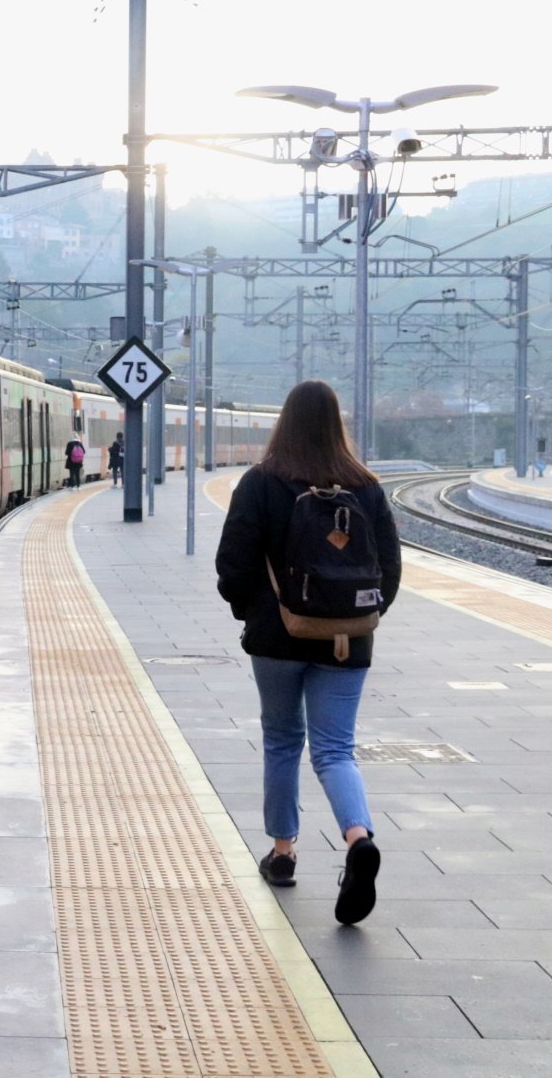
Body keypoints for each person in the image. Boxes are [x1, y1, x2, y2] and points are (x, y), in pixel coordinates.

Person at [215, 380, 401, 926]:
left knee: (281, 740)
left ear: (284, 421)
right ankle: (358, 836)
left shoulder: (260, 482)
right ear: (336, 422)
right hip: (348, 640)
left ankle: (282, 853)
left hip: (276, 637)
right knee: (336, 749)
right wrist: (360, 617)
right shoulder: (365, 486)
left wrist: (250, 612)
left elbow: (233, 565)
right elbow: (388, 570)